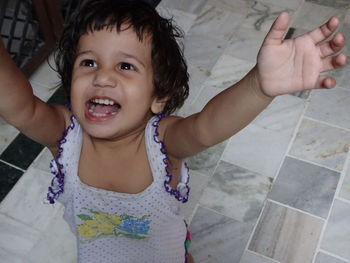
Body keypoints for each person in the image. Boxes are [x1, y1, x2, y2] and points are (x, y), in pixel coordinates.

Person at [0, 0, 346, 262]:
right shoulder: (64, 137)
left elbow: (207, 126)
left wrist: (258, 85)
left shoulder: (161, 143)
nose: (102, 77)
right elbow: (19, 105)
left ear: (158, 97)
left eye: (125, 65)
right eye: (88, 62)